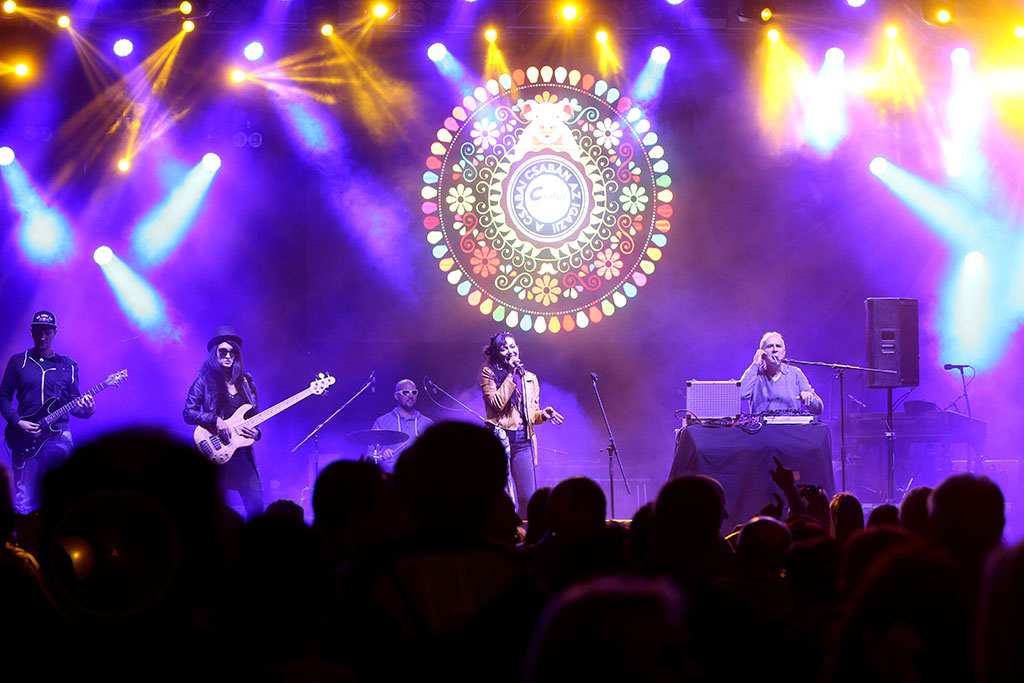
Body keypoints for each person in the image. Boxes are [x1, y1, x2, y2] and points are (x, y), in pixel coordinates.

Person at [0, 310, 94, 513]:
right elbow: (3, 396)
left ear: (55, 333)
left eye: (47, 333)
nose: (42, 337)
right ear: (32, 332)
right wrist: (18, 421)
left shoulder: (68, 365)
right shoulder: (18, 362)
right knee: (25, 497)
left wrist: (88, 410)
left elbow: (75, 404)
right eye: (38, 332)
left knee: (62, 489)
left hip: (58, 434)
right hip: (25, 435)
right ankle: (24, 529)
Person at [183, 325, 263, 519]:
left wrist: (257, 433)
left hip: (242, 454)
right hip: (215, 451)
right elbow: (188, 413)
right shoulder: (203, 381)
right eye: (223, 351)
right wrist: (215, 419)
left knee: (256, 506)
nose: (228, 356)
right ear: (214, 354)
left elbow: (253, 418)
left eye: (232, 352)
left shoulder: (247, 384)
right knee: (212, 510)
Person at [480, 332, 563, 513]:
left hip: (522, 441)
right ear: (496, 354)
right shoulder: (488, 373)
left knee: (527, 497)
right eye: (504, 349)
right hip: (499, 440)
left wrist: (543, 415)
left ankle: (524, 529)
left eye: (512, 346)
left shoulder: (530, 378)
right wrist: (510, 374)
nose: (510, 351)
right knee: (502, 498)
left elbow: (530, 415)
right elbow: (497, 404)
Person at [739, 331, 822, 415]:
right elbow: (741, 394)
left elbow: (818, 409)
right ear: (762, 353)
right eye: (770, 346)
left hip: (791, 423)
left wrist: (810, 399)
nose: (775, 350)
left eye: (778, 346)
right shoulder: (755, 375)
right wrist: (755, 364)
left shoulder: (795, 373)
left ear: (784, 353)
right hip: (762, 423)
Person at [369, 379, 434, 472]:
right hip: (391, 476)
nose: (411, 396)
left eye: (414, 392)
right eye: (405, 392)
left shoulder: (427, 423)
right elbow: (370, 456)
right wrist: (381, 454)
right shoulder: (382, 422)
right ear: (396, 396)